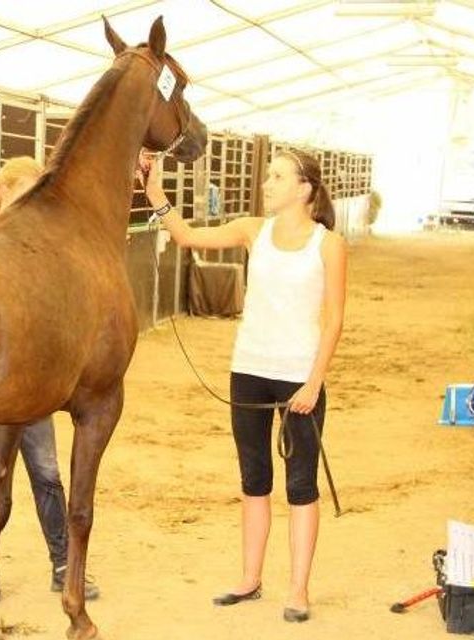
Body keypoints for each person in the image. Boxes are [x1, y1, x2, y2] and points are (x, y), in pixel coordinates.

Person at [138, 148, 346, 623]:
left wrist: (314, 382)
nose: (266, 184)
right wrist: (154, 190)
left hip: (299, 378)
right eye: (268, 175)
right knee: (254, 480)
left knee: (300, 484)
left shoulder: (328, 244)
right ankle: (250, 578)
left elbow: (334, 319)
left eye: (277, 177)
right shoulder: (255, 230)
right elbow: (187, 236)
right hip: (249, 370)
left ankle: (298, 589)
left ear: (304, 189)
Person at [0, 156, 100, 603]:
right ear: (4, 191)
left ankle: (63, 562)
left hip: (34, 382)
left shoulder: (46, 252)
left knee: (47, 472)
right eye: (28, 192)